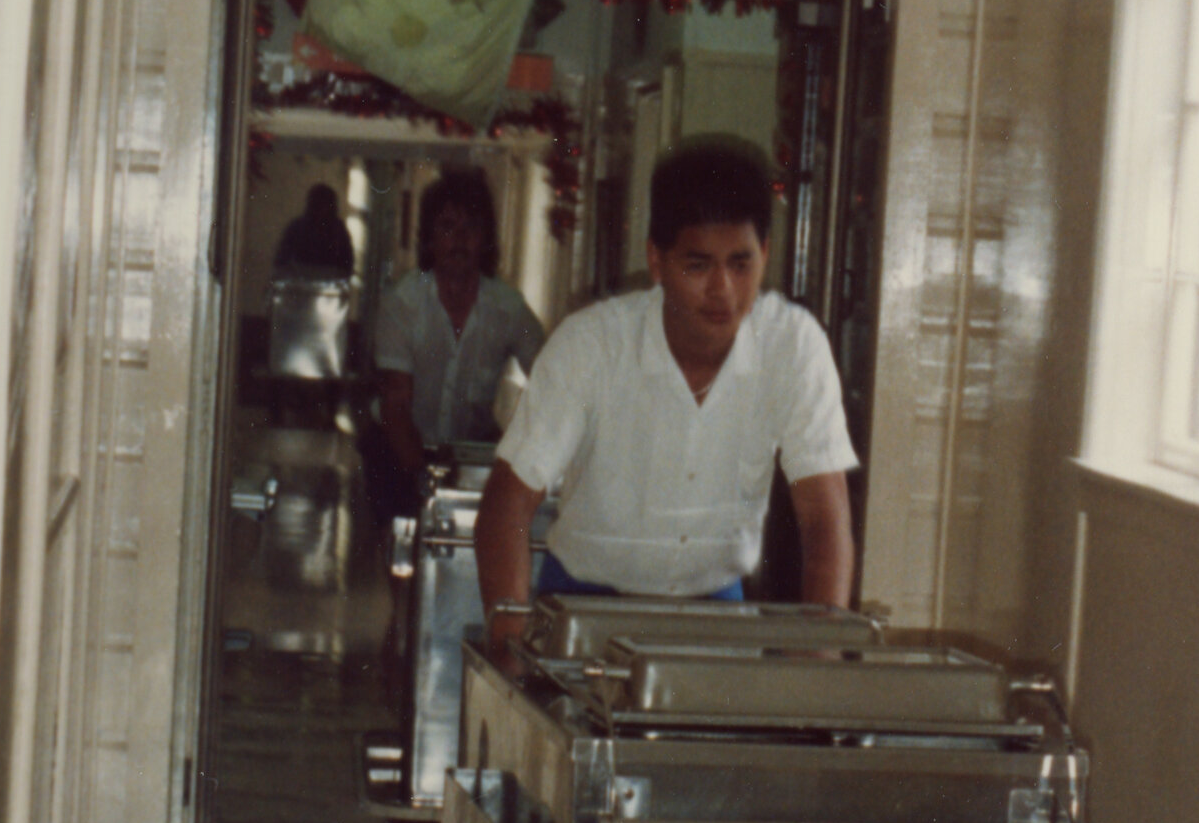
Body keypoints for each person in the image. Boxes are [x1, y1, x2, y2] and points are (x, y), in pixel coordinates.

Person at [474, 137, 855, 649]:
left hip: (716, 609)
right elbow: (506, 507)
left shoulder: (793, 346)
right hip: (581, 604)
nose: (723, 289)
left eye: (741, 264)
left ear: (765, 253)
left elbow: (824, 523)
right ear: (657, 261)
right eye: (698, 265)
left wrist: (820, 667)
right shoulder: (593, 345)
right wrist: (510, 645)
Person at [370, 167, 545, 484]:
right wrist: (420, 478)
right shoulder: (402, 304)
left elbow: (552, 376)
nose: (460, 239)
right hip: (396, 450)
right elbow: (396, 404)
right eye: (448, 227)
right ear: (429, 238)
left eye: (472, 227)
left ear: (486, 239)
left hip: (469, 454)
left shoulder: (509, 309)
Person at [273, 180, 354, 278]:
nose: (322, 210)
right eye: (318, 204)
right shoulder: (297, 227)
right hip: (299, 285)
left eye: (326, 205)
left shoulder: (339, 230)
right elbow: (281, 262)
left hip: (330, 286)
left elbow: (347, 266)